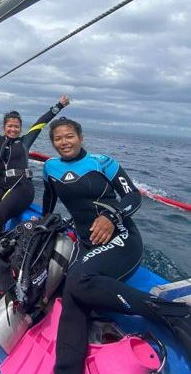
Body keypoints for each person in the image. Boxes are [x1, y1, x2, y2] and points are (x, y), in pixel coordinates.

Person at [42, 117, 191, 372]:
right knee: (71, 294)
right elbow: (49, 197)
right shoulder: (50, 168)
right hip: (88, 243)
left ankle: (172, 314)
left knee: (77, 280)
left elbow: (132, 196)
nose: (64, 142)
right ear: (53, 143)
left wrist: (112, 216)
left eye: (69, 136)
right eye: (58, 138)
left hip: (122, 239)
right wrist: (43, 222)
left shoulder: (103, 163)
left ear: (80, 137)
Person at [0, 92, 69, 241]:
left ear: (20, 128)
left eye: (17, 127)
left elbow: (41, 123)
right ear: (4, 127)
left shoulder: (25, 141)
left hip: (22, 189)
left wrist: (59, 106)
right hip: (0, 188)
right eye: (10, 126)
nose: (13, 129)